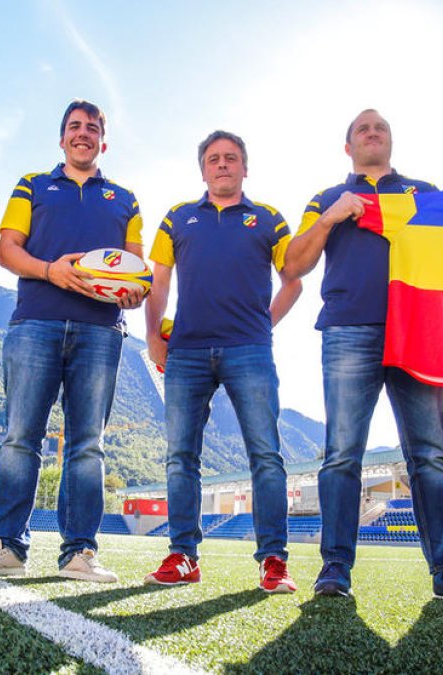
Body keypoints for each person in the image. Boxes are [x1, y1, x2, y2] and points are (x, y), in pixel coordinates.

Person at [284, 109, 443, 603]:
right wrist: (333, 218)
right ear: (348, 146)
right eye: (362, 128)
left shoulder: (425, 192)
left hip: (418, 329)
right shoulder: (325, 198)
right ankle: (334, 568)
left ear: (391, 142)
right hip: (349, 328)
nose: (372, 133)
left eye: (380, 128)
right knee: (341, 455)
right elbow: (294, 263)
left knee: (430, 454)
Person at [0, 100, 145, 582]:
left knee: (88, 445)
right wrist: (51, 272)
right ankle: (8, 547)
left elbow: (137, 271)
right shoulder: (32, 185)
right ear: (61, 138)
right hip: (35, 324)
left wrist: (132, 292)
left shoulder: (125, 198)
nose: (83, 134)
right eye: (74, 127)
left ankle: (80, 552)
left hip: (102, 331)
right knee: (21, 439)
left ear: (103, 141)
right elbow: (5, 250)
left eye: (92, 128)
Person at [143, 131, 302, 593]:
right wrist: (153, 335)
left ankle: (273, 559)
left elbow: (293, 281)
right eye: (213, 159)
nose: (222, 164)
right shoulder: (177, 218)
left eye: (231, 158)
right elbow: (158, 283)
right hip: (187, 351)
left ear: (245, 168)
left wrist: (263, 325)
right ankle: (184, 555)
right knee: (180, 456)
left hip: (249, 348)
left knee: (265, 454)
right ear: (203, 169)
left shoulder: (269, 218)